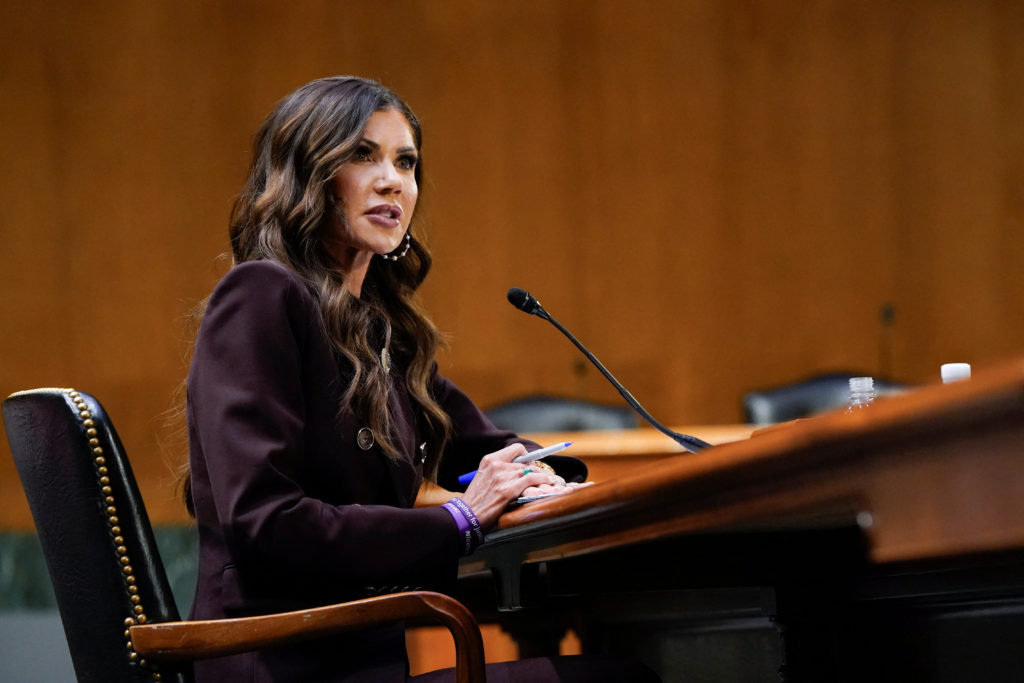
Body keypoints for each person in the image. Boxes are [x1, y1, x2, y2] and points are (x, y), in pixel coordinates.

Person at [183, 76, 660, 682]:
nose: (393, 181)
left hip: (357, 660)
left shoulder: (381, 331)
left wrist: (536, 472)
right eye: (363, 155)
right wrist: (456, 520)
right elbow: (266, 523)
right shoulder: (260, 296)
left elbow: (482, 443)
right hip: (283, 664)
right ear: (308, 174)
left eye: (406, 162)